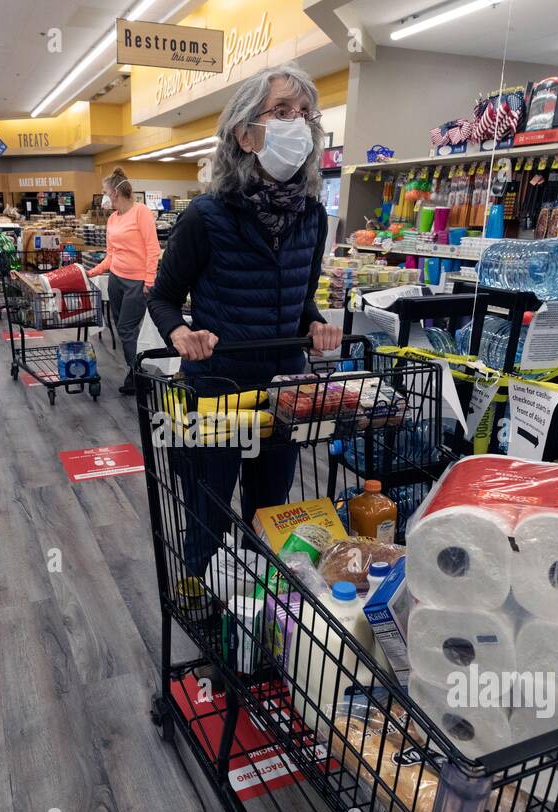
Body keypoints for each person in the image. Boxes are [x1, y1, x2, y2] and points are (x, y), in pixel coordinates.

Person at [147, 63, 341, 577]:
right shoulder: (206, 216)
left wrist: (316, 323)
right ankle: (204, 608)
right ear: (244, 132)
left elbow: (300, 298)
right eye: (281, 112)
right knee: (206, 512)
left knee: (270, 516)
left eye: (304, 114)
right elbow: (163, 297)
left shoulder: (312, 217)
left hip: (283, 394)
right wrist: (180, 333)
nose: (296, 124)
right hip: (216, 390)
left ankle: (256, 617)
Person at [87, 166, 160, 395]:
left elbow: (152, 248)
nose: (103, 196)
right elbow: (111, 253)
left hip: (136, 282)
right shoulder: (112, 219)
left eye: (105, 192)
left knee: (127, 328)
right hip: (116, 280)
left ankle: (140, 376)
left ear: (115, 194)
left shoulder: (141, 212)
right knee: (121, 328)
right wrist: (94, 271)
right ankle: (135, 373)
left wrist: (149, 281)